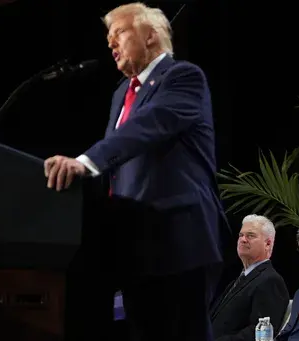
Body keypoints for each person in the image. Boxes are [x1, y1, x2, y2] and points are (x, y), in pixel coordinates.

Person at [44, 3, 228, 340]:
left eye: (119, 34)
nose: (111, 44)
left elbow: (148, 126)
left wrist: (84, 162)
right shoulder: (120, 94)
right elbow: (119, 161)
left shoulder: (182, 76)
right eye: (108, 38)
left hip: (177, 235)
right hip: (132, 242)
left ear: (150, 34)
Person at [210, 214, 289, 341]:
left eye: (250, 236)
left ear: (268, 244)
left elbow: (258, 333)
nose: (243, 239)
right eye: (241, 235)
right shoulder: (238, 280)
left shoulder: (270, 280)